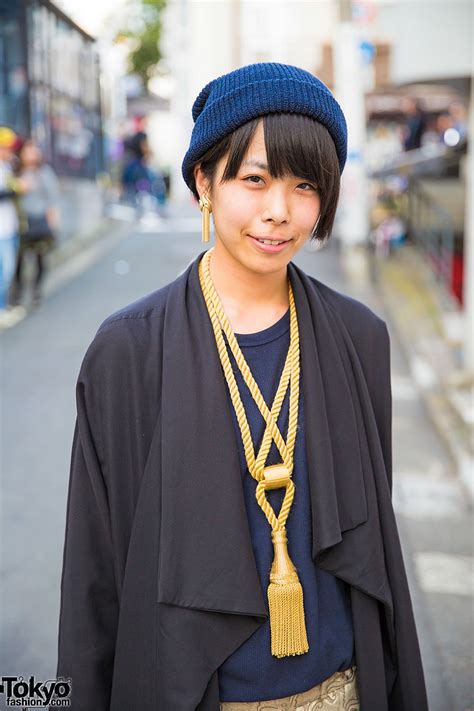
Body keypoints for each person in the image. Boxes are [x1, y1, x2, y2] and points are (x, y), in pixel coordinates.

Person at [56, 64, 428, 710]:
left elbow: (372, 567)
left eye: (305, 184)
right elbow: (94, 585)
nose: (278, 211)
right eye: (254, 179)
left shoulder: (359, 339)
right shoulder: (129, 353)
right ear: (204, 179)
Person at [10, 139, 60, 308]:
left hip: (40, 221)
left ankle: (36, 292)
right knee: (18, 260)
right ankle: (17, 294)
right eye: (28, 151)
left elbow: (52, 200)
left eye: (34, 150)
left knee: (40, 259)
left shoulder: (44, 173)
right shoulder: (14, 172)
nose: (32, 154)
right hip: (20, 222)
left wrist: (53, 224)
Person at [0, 127, 21, 324]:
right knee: (5, 269)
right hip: (2, 230)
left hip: (10, 226)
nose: (9, 152)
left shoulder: (7, 167)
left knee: (9, 268)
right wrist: (16, 190)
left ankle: (5, 305)